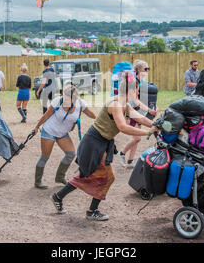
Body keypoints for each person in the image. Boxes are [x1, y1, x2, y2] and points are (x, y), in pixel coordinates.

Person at [50, 73, 159, 221]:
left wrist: (155, 125)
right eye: (137, 90)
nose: (138, 93)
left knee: (89, 175)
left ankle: (59, 197)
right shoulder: (115, 105)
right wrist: (147, 132)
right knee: (106, 176)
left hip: (100, 143)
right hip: (93, 143)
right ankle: (91, 210)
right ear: (130, 91)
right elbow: (123, 127)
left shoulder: (124, 105)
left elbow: (139, 118)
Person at [32, 84, 96, 189]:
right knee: (45, 156)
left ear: (74, 99)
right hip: (49, 130)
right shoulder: (58, 101)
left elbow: (91, 114)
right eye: (64, 97)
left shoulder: (80, 104)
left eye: (67, 99)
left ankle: (60, 177)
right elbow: (46, 115)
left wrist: (101, 120)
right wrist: (36, 126)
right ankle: (37, 181)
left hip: (62, 134)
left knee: (71, 154)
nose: (64, 100)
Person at [118, 60, 157, 168]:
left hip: (133, 110)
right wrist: (149, 110)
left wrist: (152, 107)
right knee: (137, 138)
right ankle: (121, 154)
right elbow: (134, 100)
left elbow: (138, 99)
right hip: (129, 111)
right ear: (138, 70)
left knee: (138, 137)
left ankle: (130, 161)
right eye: (145, 69)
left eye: (148, 69)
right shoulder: (133, 82)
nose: (147, 71)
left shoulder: (137, 81)